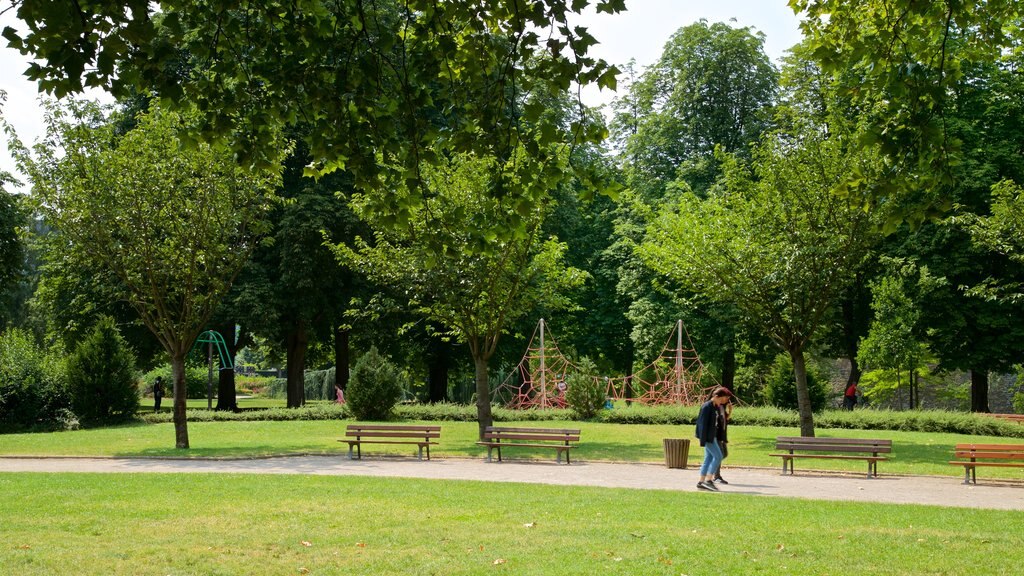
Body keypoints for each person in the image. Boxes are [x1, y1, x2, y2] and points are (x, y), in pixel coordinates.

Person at [695, 386, 732, 491]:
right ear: (716, 396)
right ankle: (709, 480)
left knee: (708, 458)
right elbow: (701, 424)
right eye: (722, 399)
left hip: (713, 436)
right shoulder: (706, 407)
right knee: (719, 456)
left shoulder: (715, 407)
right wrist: (703, 440)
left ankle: (701, 482)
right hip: (708, 438)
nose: (724, 401)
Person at [713, 393, 733, 484]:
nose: (728, 399)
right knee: (720, 455)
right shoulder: (716, 407)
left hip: (722, 435)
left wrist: (730, 410)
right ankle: (716, 476)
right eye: (727, 397)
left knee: (724, 454)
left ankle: (713, 470)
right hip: (717, 435)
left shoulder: (722, 407)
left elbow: (726, 419)